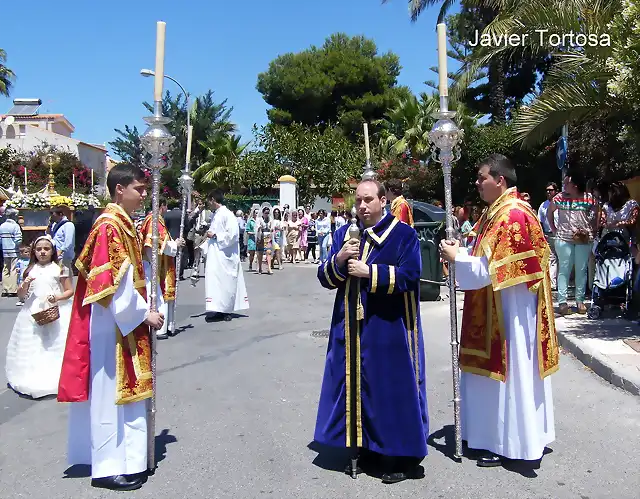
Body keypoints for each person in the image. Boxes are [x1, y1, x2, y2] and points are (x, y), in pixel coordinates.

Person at [439, 154, 558, 468]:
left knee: (512, 373)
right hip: (497, 306)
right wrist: (461, 253)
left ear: (500, 180)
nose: (478, 183)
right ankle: (491, 435)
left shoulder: (511, 215)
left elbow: (491, 272)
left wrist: (456, 258)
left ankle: (509, 441)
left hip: (510, 313)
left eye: (482, 178)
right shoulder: (497, 211)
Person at [57, 163, 164, 491]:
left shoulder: (123, 223)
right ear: (120, 189)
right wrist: (142, 313)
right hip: (112, 323)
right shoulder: (109, 226)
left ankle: (129, 459)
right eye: (139, 189)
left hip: (124, 322)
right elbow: (112, 282)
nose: (144, 194)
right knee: (110, 390)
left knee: (127, 391)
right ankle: (107, 467)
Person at [314, 179, 428, 484]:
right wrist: (338, 260)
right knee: (356, 389)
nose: (362, 207)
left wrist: (370, 272)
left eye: (368, 200)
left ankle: (401, 456)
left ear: (382, 201)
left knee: (389, 391)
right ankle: (365, 448)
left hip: (388, 328)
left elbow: (411, 276)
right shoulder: (343, 235)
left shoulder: (403, 235)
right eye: (358, 201)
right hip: (349, 328)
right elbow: (325, 278)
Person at [5, 235, 74, 398]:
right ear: (33, 252)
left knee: (54, 344)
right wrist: (25, 284)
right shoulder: (29, 269)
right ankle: (31, 376)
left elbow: (69, 291)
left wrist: (57, 297)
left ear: (52, 251)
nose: (42, 252)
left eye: (46, 249)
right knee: (35, 344)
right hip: (32, 311)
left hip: (56, 310)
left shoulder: (60, 269)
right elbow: (21, 295)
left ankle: (57, 376)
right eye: (39, 249)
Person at [547, 169, 597, 315]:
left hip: (583, 238)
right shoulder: (559, 198)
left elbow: (597, 211)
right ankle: (562, 302)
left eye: (567, 182)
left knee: (581, 269)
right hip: (563, 238)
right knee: (564, 268)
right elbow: (549, 212)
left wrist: (593, 228)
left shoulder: (589, 198)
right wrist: (554, 229)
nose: (564, 185)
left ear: (575, 185)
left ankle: (580, 300)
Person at [139, 198, 185, 339]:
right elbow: (159, 244)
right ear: (162, 206)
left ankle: (166, 325)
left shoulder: (151, 219)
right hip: (156, 266)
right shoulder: (155, 220)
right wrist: (176, 244)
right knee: (159, 296)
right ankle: (161, 327)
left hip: (156, 263)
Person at [204, 190, 249, 322]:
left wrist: (216, 235)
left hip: (225, 255)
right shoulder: (216, 215)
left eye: (208, 200)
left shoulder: (227, 214)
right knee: (216, 282)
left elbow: (233, 235)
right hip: (216, 255)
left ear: (213, 199)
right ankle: (218, 309)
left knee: (226, 283)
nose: (208, 203)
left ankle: (227, 310)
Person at [0, 208, 23, 296]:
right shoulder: (15, 226)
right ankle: (12, 290)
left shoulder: (2, 226)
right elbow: (18, 239)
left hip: (5, 250)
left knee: (5, 269)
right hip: (13, 250)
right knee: (13, 269)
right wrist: (19, 245)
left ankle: (5, 289)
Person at [49, 205, 76, 279]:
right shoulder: (54, 225)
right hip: (55, 255)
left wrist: (61, 251)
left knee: (65, 277)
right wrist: (50, 225)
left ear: (60, 214)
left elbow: (69, 241)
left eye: (53, 215)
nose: (52, 217)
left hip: (64, 256)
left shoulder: (68, 225)